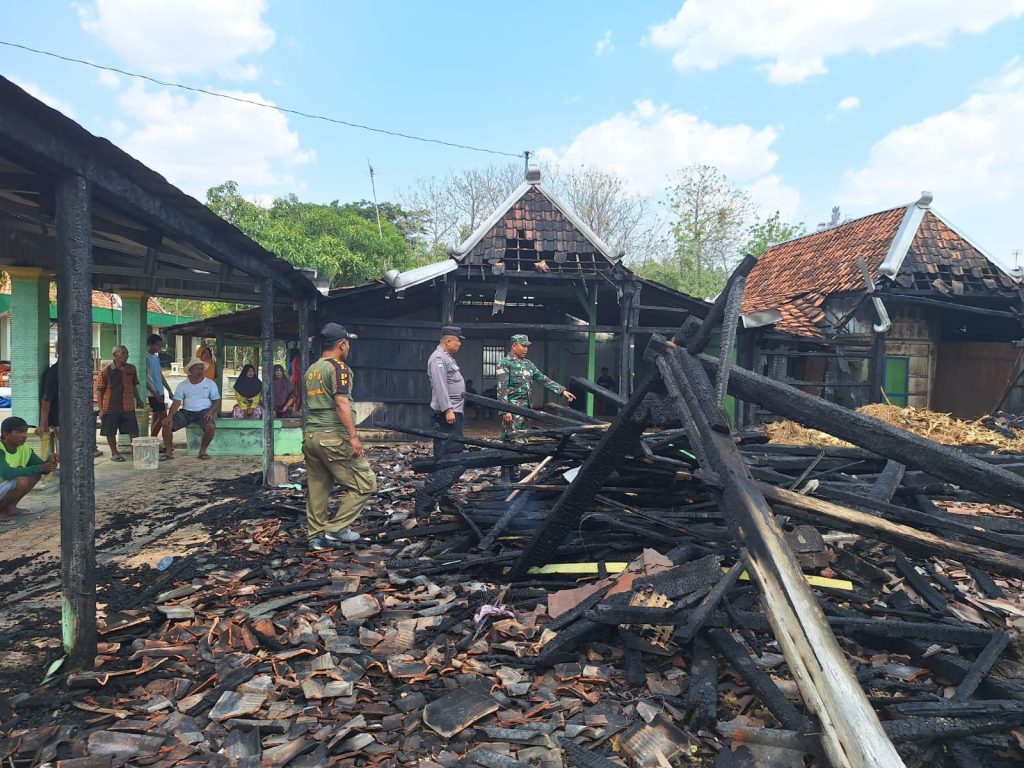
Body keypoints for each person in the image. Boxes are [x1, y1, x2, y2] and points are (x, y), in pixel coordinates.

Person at [302, 322, 377, 551]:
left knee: (318, 486)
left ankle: (316, 537)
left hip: (311, 436)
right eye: (348, 344)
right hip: (332, 436)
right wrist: (353, 436)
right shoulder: (338, 368)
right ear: (342, 344)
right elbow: (341, 401)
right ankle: (336, 528)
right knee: (365, 483)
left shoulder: (312, 369)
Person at [496, 333, 576, 443]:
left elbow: (543, 379)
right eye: (523, 346)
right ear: (514, 346)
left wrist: (562, 390)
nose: (526, 349)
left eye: (527, 346)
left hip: (527, 409)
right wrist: (505, 411)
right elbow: (502, 388)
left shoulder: (528, 364)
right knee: (511, 439)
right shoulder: (505, 363)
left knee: (524, 438)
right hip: (512, 410)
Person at [37, 358, 103, 459]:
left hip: (77, 418)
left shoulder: (76, 371)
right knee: (66, 452)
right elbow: (46, 398)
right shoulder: (54, 372)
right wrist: (43, 422)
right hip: (61, 419)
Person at [162, 356, 220, 460]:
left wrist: (211, 411)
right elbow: (176, 402)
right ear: (191, 370)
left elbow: (216, 400)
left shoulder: (210, 383)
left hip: (204, 411)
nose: (200, 371)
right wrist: (170, 416)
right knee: (166, 424)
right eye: (198, 368)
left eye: (202, 368)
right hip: (186, 412)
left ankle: (202, 451)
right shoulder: (182, 385)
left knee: (210, 426)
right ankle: (169, 452)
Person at [0, 417, 57, 521]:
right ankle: (1, 512)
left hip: (3, 488)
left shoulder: (24, 449)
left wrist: (50, 461)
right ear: (6, 434)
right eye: (19, 432)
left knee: (36, 474)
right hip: (3, 486)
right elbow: (7, 474)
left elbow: (43, 469)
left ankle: (11, 508)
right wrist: (41, 467)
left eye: (25, 431)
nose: (25, 435)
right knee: (22, 481)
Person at [95, 345, 144, 462]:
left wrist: (138, 399)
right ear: (115, 355)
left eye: (126, 353)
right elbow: (99, 390)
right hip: (110, 405)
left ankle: (136, 453)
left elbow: (133, 385)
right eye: (123, 353)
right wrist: (101, 409)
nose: (126, 355)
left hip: (128, 405)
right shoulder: (106, 371)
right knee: (110, 431)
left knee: (133, 430)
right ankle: (114, 453)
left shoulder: (131, 369)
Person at [426, 326, 466, 460]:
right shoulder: (438, 358)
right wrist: (448, 409)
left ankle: (448, 477)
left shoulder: (447, 357)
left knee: (455, 447)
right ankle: (441, 477)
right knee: (447, 448)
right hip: (446, 414)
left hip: (454, 411)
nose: (459, 343)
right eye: (457, 341)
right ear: (448, 341)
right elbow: (440, 386)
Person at [146, 334, 172, 437]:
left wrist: (168, 390)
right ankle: (153, 438)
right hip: (153, 393)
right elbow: (144, 379)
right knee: (163, 417)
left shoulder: (156, 357)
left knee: (157, 416)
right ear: (150, 344)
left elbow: (160, 375)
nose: (159, 347)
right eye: (157, 345)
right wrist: (153, 393)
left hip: (160, 391)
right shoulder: (146, 357)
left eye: (160, 345)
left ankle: (153, 440)